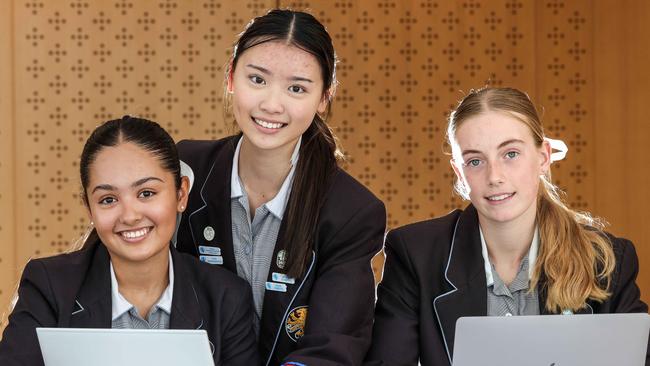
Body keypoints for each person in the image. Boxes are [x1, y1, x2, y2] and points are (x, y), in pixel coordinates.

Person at [365, 87, 649, 366]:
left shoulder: (606, 259)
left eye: (510, 154)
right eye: (475, 161)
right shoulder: (415, 254)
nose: (494, 176)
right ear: (459, 174)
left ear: (543, 157)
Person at [175, 9, 386, 366]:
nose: (272, 104)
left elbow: (332, 346)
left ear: (324, 97)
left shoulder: (352, 211)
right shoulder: (186, 170)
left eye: (297, 88)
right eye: (257, 80)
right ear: (230, 77)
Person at [0, 116, 259, 366]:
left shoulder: (226, 298)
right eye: (108, 199)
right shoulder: (49, 287)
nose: (130, 215)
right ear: (89, 208)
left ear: (181, 194)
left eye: (146, 193)